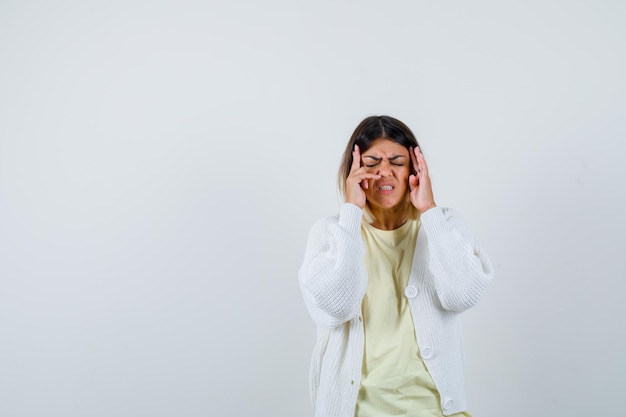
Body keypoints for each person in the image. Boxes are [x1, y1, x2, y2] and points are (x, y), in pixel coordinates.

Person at [298, 115, 494, 417]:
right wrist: (351, 211)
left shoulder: (445, 225)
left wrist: (429, 210)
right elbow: (335, 307)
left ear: (415, 170)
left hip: (436, 409)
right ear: (354, 170)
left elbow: (463, 295)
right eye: (372, 162)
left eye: (397, 162)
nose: (384, 172)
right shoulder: (330, 233)